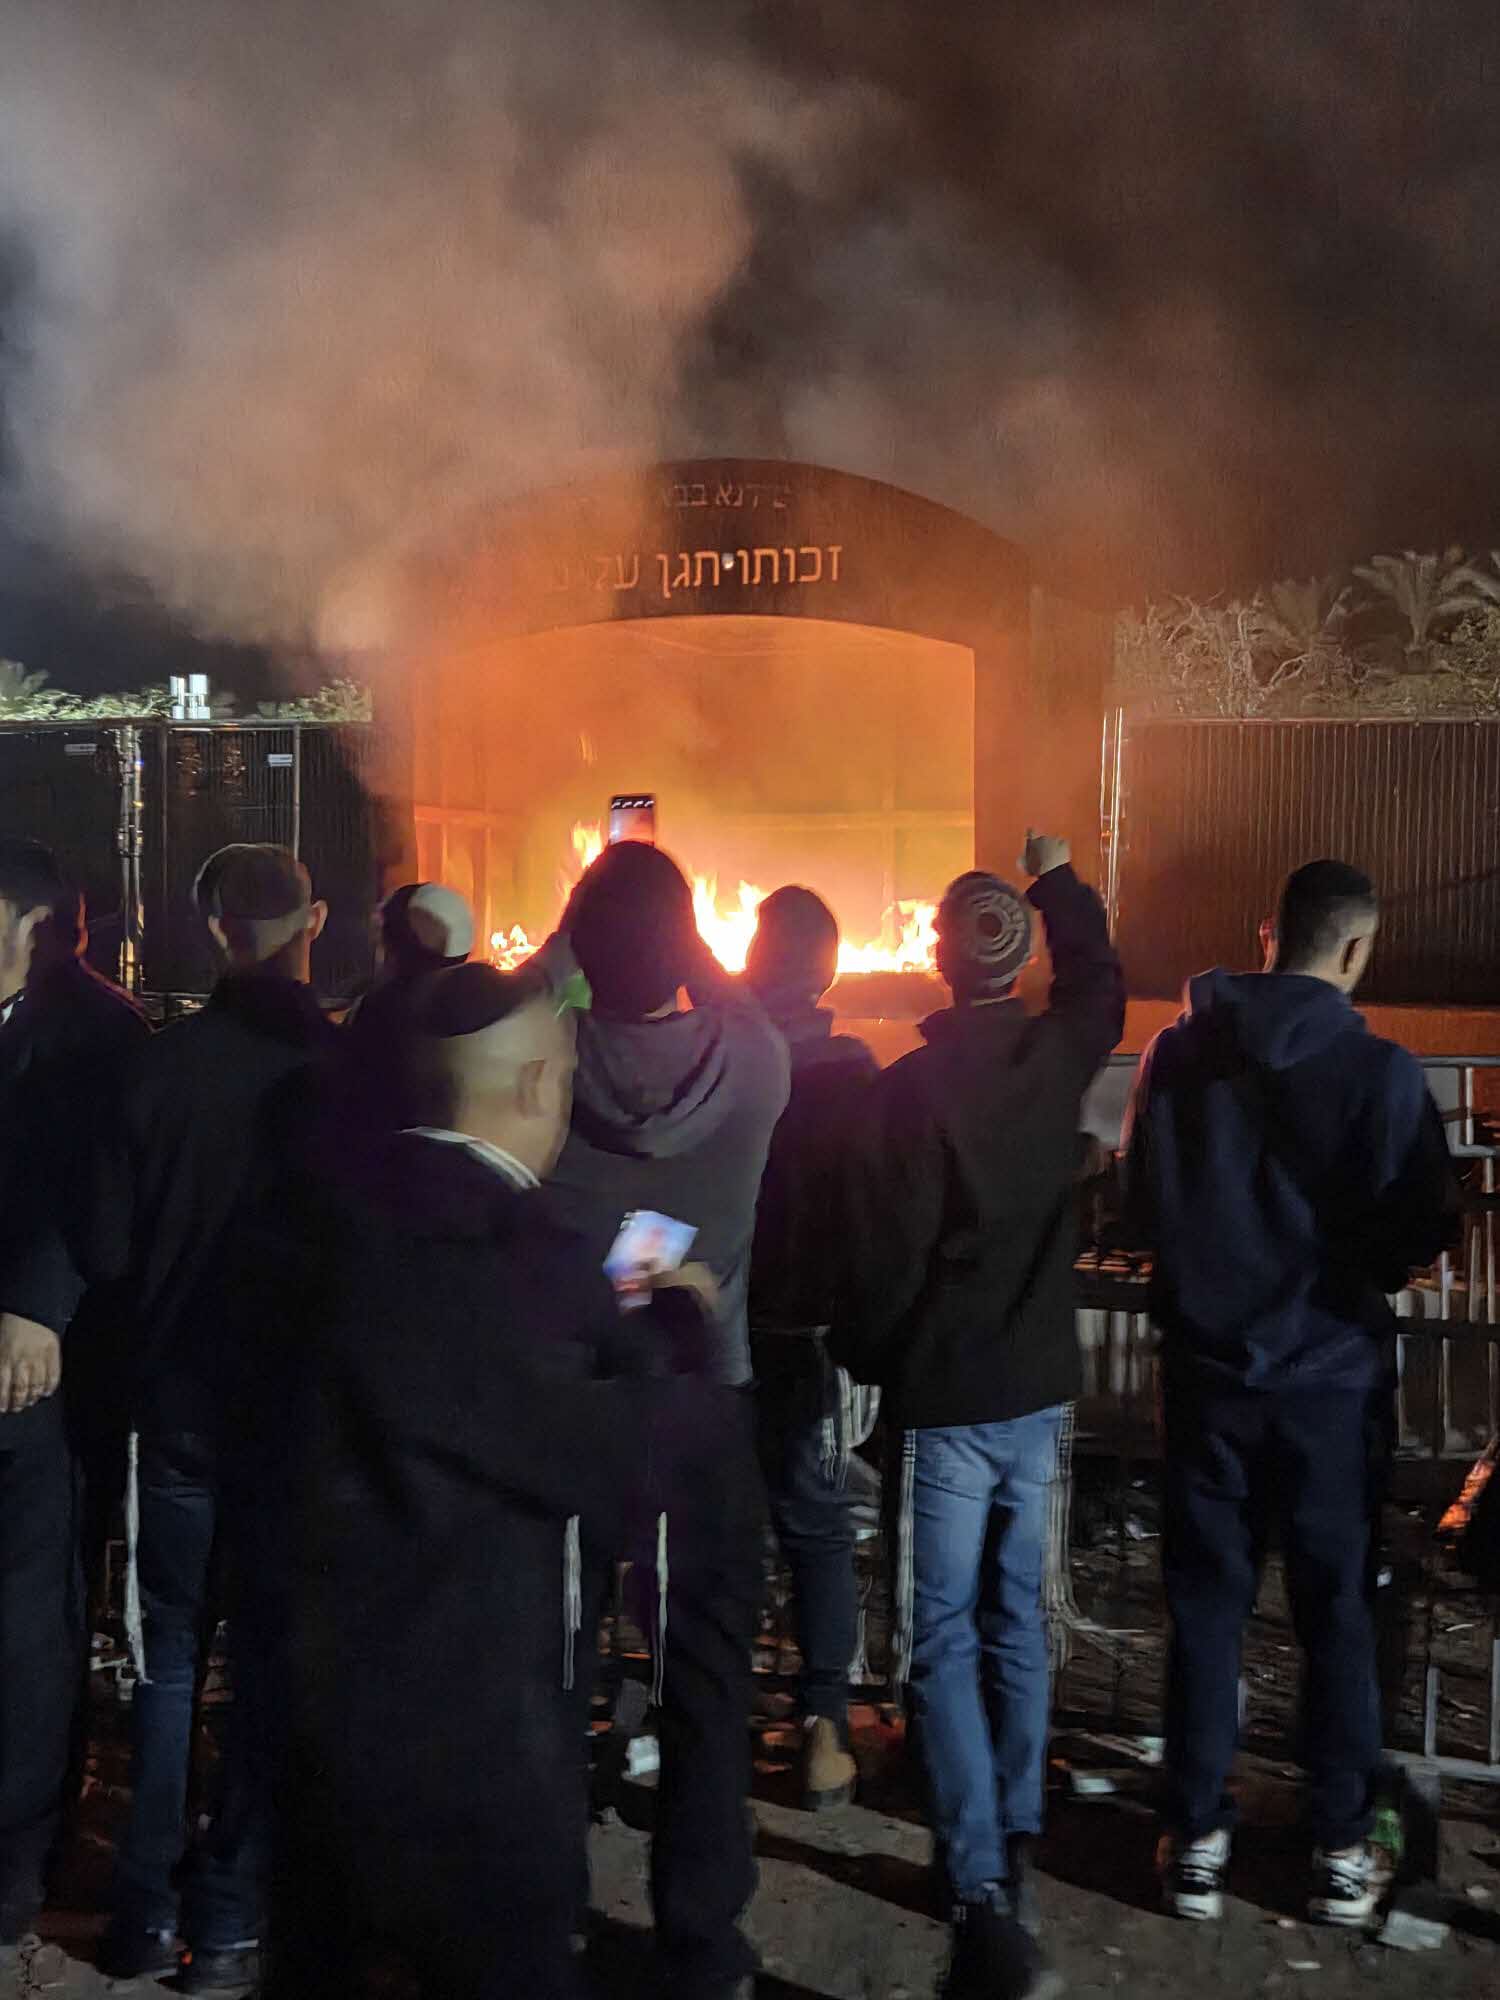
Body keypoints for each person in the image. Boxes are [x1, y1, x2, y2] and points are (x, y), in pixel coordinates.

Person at [255, 962, 737, 2000]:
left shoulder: (298, 1225)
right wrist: (679, 1332)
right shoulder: (523, 1254)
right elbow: (621, 1463)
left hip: (308, 1726)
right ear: (534, 1084)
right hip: (478, 1739)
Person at [1125, 859, 1456, 1928]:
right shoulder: (1384, 1073)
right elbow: (1418, 1231)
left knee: (1205, 1609)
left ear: (1269, 935)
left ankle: (1195, 1841)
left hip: (1206, 1380)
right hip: (1330, 1388)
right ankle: (1341, 1849)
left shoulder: (1174, 1055)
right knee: (1337, 1615)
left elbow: (1141, 1202)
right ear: (1356, 949)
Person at [833, 831, 1124, 2000]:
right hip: (1036, 1389)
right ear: (1015, 959)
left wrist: (869, 1359)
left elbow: (882, 1263)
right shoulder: (1056, 1054)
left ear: (938, 960)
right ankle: (1015, 1834)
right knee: (1014, 1618)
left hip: (946, 1398)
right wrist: (1057, 881)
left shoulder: (907, 1094)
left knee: (942, 1635)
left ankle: (975, 1874)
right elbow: (1099, 982)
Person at [80, 844, 333, 1990]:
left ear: (207, 922)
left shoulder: (156, 1069)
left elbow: (105, 1247)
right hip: (294, 1416)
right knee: (272, 1658)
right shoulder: (342, 1070)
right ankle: (230, 1917)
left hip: (176, 1405)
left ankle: (142, 1911)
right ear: (311, 921)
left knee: (168, 1659)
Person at [539, 840, 788, 2000]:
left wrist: (562, 944)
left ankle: (539, 1917)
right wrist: (692, 947)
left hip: (570, 1403)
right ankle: (701, 1940)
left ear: (583, 947)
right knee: (707, 1678)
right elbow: (737, 994)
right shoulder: (756, 1059)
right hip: (700, 1399)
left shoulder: (547, 1062)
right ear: (689, 946)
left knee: (551, 1667)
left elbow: (527, 994)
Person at [0, 841, 148, 1956]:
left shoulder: (99, 1033)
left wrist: (36, 1304)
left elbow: (100, 1194)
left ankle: (15, 1861)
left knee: (28, 1619)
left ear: (28, 923)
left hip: (37, 1380)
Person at [744, 886, 878, 1811]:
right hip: (808, 1336)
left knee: (706, 1525)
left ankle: (691, 1705)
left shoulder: (717, 1054)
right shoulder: (851, 1072)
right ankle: (824, 1726)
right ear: (828, 972)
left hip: (712, 1327)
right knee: (816, 1528)